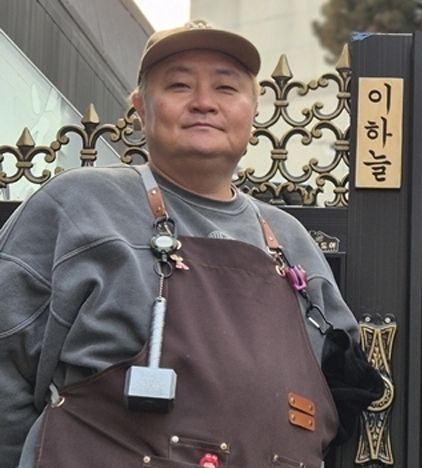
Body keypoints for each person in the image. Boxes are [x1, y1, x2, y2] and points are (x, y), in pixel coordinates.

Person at [0, 20, 381, 468]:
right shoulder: (79, 206)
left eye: (225, 88)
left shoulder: (292, 240)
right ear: (140, 109)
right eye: (179, 85)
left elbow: (338, 392)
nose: (203, 102)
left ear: (253, 111)